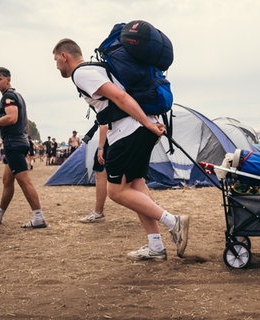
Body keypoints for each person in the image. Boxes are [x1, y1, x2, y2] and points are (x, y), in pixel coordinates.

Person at [53, 38, 189, 260]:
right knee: (136, 186)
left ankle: (174, 222)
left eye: (56, 59)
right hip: (136, 127)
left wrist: (147, 123)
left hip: (129, 131)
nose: (56, 65)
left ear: (64, 56)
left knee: (116, 191)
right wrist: (148, 122)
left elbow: (120, 97)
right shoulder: (98, 68)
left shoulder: (81, 74)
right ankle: (155, 247)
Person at [0, 67, 47, 229]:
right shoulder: (16, 95)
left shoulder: (9, 96)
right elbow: (25, 121)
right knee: (7, 181)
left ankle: (38, 217)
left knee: (24, 181)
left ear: (8, 79)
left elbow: (12, 118)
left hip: (14, 144)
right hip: (18, 142)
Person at [80, 125, 109, 223]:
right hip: (127, 136)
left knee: (101, 173)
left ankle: (98, 213)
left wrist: (101, 147)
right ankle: (153, 207)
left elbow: (104, 123)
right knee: (135, 179)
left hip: (111, 138)